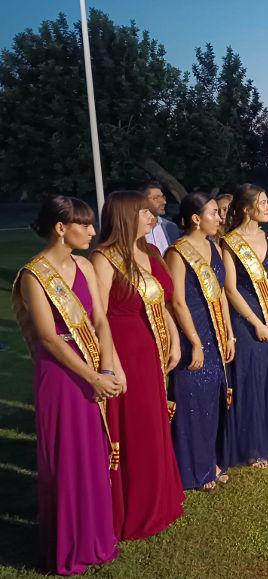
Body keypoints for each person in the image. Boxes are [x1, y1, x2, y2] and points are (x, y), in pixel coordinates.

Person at [11, 196, 121, 575]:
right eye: (85, 224)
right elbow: (49, 337)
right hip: (60, 376)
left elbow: (101, 320)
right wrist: (92, 377)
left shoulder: (85, 265)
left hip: (93, 368)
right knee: (67, 459)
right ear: (61, 227)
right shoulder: (33, 275)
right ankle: (69, 547)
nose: (93, 231)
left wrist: (106, 369)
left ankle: (96, 539)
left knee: (92, 456)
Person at [91, 190, 184, 541]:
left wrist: (174, 339)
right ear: (125, 217)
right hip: (124, 350)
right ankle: (136, 508)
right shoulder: (104, 258)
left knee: (155, 423)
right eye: (144, 213)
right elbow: (97, 316)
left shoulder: (151, 252)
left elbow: (162, 302)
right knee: (135, 429)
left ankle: (162, 499)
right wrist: (110, 364)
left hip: (153, 348)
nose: (152, 218)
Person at [166, 193, 235, 490]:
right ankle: (194, 468)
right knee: (192, 402)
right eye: (213, 213)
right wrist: (194, 342)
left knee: (213, 399)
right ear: (196, 218)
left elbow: (220, 292)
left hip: (216, 331)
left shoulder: (212, 246)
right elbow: (177, 301)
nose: (219, 218)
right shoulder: (177, 252)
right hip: (190, 331)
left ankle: (212, 459)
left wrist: (229, 332)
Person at [221, 183, 268, 466]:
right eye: (263, 203)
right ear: (248, 208)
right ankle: (251, 445)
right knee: (249, 380)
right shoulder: (230, 242)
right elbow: (230, 289)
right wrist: (255, 323)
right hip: (245, 320)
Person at [142, 181, 180, 255]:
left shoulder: (171, 227)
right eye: (156, 198)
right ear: (142, 201)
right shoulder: (134, 229)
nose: (163, 202)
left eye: (162, 197)